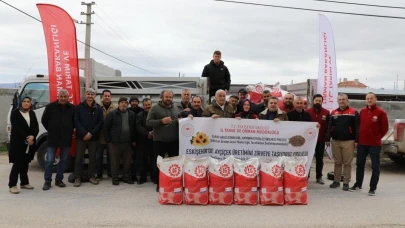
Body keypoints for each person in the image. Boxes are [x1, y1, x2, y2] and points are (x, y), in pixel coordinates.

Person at [350, 92, 388, 196]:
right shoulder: (362, 111)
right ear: (365, 100)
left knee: (375, 167)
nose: (369, 100)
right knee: (359, 165)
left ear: (376, 99)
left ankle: (372, 188)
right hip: (362, 143)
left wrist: (376, 136)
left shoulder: (381, 113)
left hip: (374, 144)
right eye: (367, 98)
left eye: (371, 98)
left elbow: (385, 129)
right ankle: (358, 184)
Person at [146, 90, 181, 192]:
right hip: (159, 141)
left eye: (170, 97)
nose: (168, 99)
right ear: (162, 97)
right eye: (166, 97)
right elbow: (148, 122)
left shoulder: (175, 108)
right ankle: (159, 183)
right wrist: (161, 121)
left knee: (174, 164)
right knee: (158, 164)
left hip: (173, 141)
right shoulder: (155, 108)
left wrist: (181, 121)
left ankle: (174, 183)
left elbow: (178, 119)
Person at [41, 89, 75, 191]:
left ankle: (59, 179)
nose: (63, 98)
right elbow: (44, 120)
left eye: (65, 97)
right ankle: (47, 181)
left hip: (66, 138)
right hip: (53, 138)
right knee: (50, 160)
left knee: (63, 160)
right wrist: (51, 130)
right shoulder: (50, 107)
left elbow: (74, 121)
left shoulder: (72, 108)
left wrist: (69, 130)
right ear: (58, 96)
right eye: (61, 96)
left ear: (68, 98)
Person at [326, 93, 359, 191]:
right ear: (337, 101)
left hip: (349, 141)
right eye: (340, 99)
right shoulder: (333, 112)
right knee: (337, 162)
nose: (341, 101)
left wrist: (357, 140)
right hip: (335, 141)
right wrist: (328, 138)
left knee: (347, 163)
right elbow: (329, 126)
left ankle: (346, 182)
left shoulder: (354, 112)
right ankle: (336, 181)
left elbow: (357, 128)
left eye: (343, 99)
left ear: (347, 100)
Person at [8, 96, 39, 194]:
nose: (26, 103)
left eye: (28, 101)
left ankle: (24, 183)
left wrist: (33, 136)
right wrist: (27, 137)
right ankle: (12, 185)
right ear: (20, 103)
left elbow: (36, 127)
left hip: (30, 142)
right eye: (24, 101)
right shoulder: (15, 113)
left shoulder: (32, 113)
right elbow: (16, 128)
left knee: (25, 163)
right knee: (17, 163)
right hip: (18, 143)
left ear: (30, 103)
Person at [74, 88, 103, 187]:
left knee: (92, 158)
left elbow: (100, 122)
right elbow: (76, 121)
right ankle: (77, 177)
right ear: (85, 95)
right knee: (79, 158)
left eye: (92, 94)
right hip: (81, 137)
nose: (90, 96)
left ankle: (91, 176)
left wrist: (91, 133)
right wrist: (84, 133)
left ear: (95, 96)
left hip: (93, 138)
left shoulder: (98, 108)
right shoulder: (79, 107)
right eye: (88, 94)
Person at [104, 97, 137, 185]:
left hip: (127, 143)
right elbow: (105, 127)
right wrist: (109, 141)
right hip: (114, 143)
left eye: (125, 103)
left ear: (127, 104)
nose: (123, 104)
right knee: (114, 163)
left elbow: (134, 128)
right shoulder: (112, 114)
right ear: (118, 104)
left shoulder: (132, 114)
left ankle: (126, 178)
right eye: (122, 102)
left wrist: (133, 140)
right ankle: (115, 179)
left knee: (127, 163)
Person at [306, 94, 330, 185]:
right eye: (316, 100)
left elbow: (328, 127)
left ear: (322, 102)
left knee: (320, 159)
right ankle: (306, 176)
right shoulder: (307, 112)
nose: (318, 102)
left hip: (321, 139)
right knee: (308, 159)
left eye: (320, 101)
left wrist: (327, 138)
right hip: (309, 140)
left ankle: (319, 176)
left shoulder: (326, 113)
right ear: (313, 101)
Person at [96, 89, 115, 180]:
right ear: (102, 97)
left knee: (110, 156)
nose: (107, 97)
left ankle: (110, 173)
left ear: (111, 97)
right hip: (99, 135)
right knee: (98, 156)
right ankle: (99, 174)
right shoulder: (97, 107)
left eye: (108, 96)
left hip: (111, 136)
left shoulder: (115, 107)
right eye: (105, 96)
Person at [136, 98, 154, 185]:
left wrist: (153, 133)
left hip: (154, 140)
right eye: (146, 105)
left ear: (151, 105)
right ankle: (142, 177)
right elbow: (138, 127)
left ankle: (154, 177)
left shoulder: (155, 114)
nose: (147, 106)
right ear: (143, 106)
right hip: (143, 140)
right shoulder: (139, 115)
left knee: (154, 159)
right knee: (143, 160)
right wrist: (147, 134)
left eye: (149, 105)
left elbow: (158, 123)